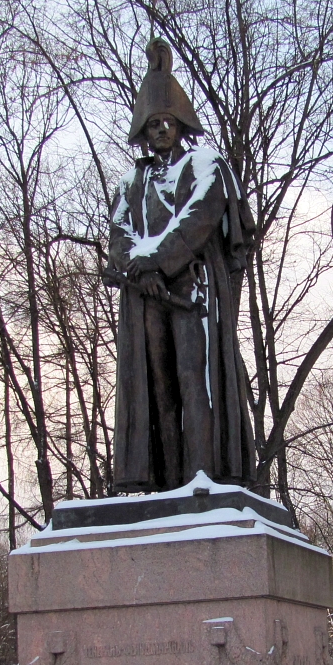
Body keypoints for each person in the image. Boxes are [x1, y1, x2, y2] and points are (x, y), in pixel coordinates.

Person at [107, 37, 257, 493]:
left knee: (196, 378)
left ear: (181, 124)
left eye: (168, 122)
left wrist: (154, 261)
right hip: (147, 297)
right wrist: (141, 270)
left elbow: (198, 218)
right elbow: (119, 235)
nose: (161, 130)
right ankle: (167, 481)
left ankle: (202, 474)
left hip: (193, 290)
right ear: (143, 130)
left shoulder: (206, 164)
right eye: (153, 124)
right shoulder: (131, 181)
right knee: (158, 387)